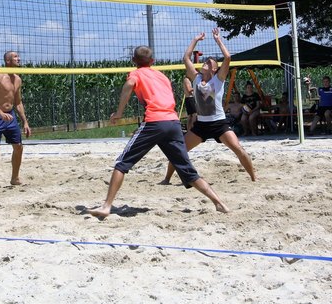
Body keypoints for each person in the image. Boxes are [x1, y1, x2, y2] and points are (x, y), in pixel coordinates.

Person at [86, 45, 229, 219]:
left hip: (154, 122)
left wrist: (119, 113)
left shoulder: (135, 74)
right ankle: (218, 202)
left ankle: (106, 206)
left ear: (133, 61)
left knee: (122, 163)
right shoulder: (162, 76)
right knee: (187, 170)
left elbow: (129, 85)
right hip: (173, 122)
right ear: (152, 61)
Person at [161, 29, 256, 184]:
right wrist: (195, 39)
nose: (205, 62)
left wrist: (218, 40)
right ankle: (166, 179)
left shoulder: (218, 80)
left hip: (219, 124)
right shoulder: (196, 78)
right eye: (205, 61)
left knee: (238, 149)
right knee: (179, 151)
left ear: (214, 69)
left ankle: (254, 178)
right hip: (202, 125)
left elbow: (228, 57)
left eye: (209, 62)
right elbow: (186, 57)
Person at [0, 51, 31, 191]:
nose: (19, 58)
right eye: (15, 57)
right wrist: (0, 112)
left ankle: (14, 178)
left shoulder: (17, 79)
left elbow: (18, 102)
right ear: (8, 61)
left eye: (18, 56)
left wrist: (25, 122)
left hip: (10, 116)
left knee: (19, 147)